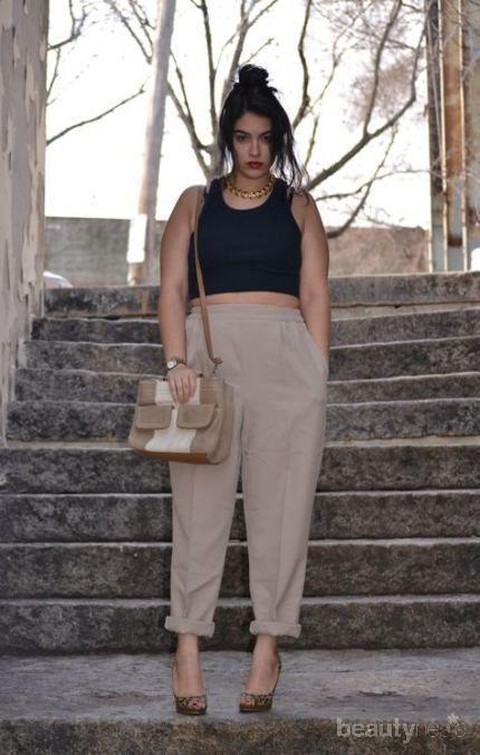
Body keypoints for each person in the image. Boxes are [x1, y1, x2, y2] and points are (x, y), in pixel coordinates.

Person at [158, 64, 330, 715]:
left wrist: (316, 373)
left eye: (265, 137)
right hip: (208, 364)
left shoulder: (299, 206)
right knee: (197, 509)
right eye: (243, 136)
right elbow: (172, 289)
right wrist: (176, 358)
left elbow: (315, 293)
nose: (254, 149)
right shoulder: (194, 203)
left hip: (287, 365)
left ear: (277, 139)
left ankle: (268, 644)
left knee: (282, 511)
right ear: (228, 138)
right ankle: (187, 644)